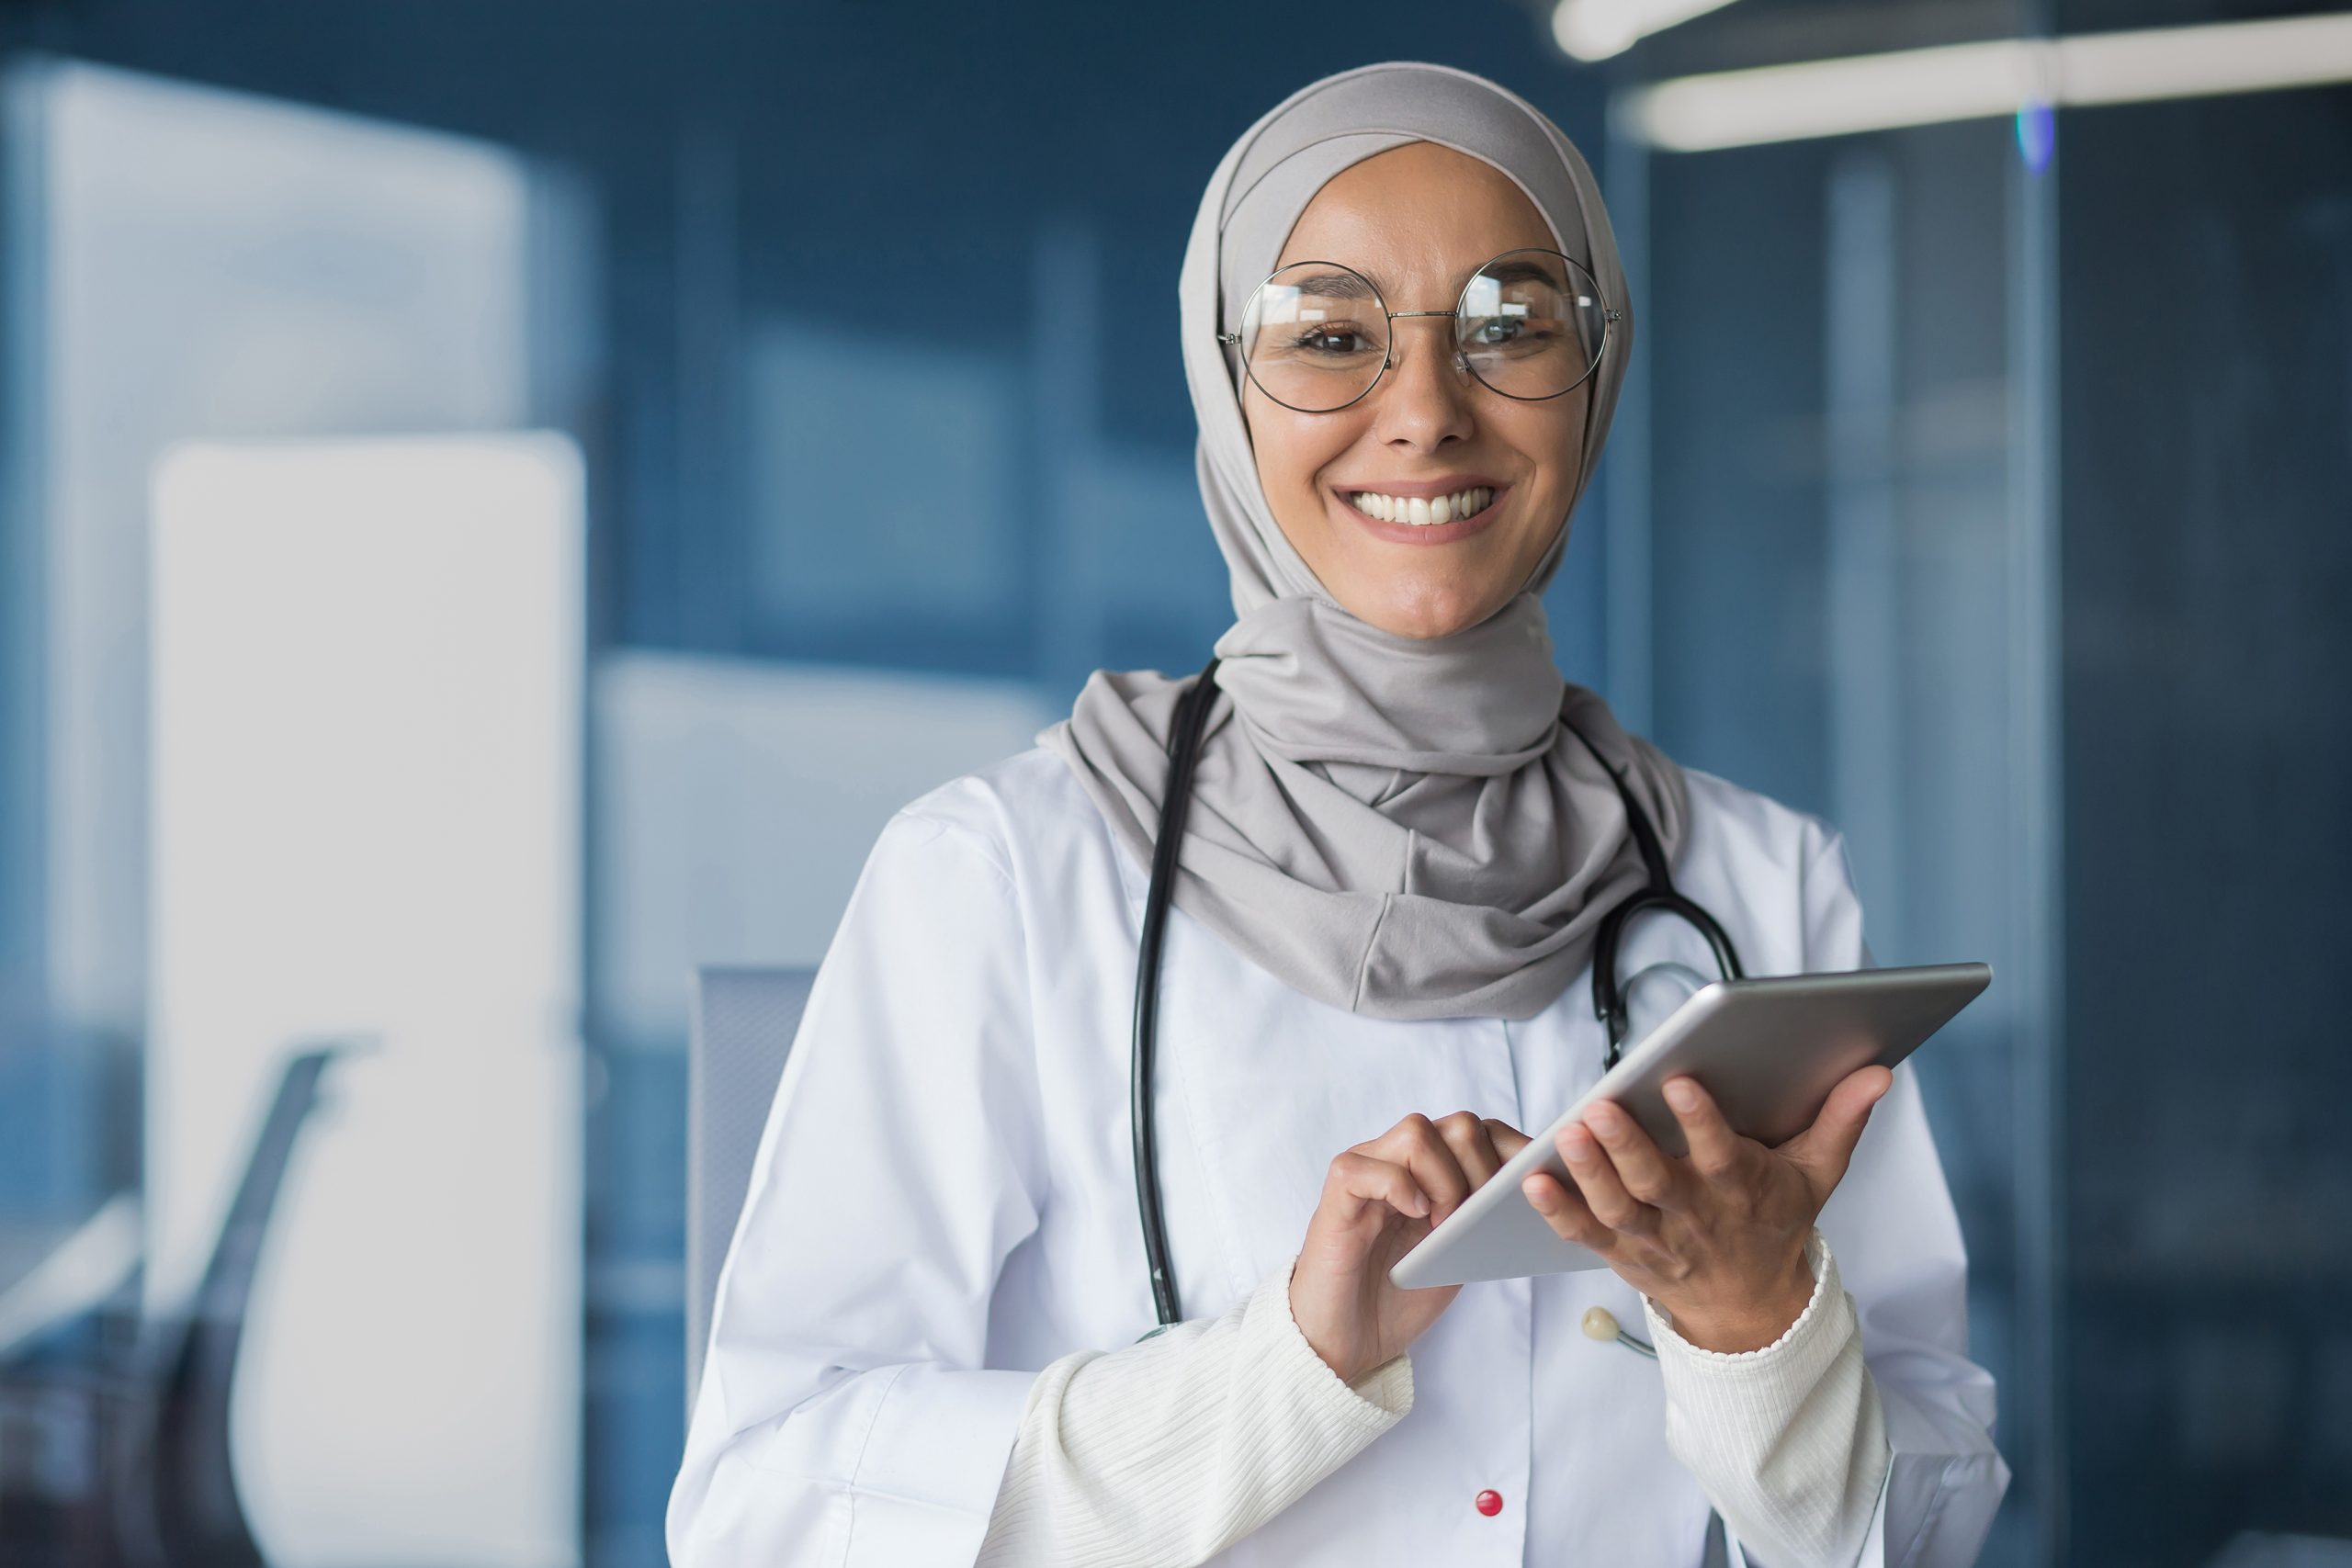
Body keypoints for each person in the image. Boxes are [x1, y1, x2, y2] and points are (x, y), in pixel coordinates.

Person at [668, 60, 2009, 1568]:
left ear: (1600, 370)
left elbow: (1928, 1531)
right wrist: (1282, 1372)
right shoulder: (1001, 876)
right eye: (1327, 337)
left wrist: (1759, 1331)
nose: (1427, 413)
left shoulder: (1762, 884)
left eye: (1511, 328)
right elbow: (765, 1512)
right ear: (1224, 388)